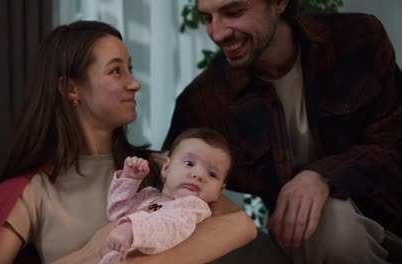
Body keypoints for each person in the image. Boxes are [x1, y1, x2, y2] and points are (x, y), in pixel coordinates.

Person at [0, 21, 257, 264]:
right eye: (116, 71)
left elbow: (240, 225)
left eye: (129, 69)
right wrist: (93, 251)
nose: (134, 83)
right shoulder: (32, 193)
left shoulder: (162, 166)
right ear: (71, 89)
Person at [163, 0, 402, 263]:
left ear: (278, 3)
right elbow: (164, 175)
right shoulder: (205, 99)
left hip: (391, 217)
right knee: (320, 221)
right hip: (310, 239)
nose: (217, 34)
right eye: (207, 18)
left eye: (233, 12)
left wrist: (321, 175)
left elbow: (393, 140)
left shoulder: (358, 38)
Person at [101, 128, 233, 263]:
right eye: (189, 163)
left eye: (212, 174)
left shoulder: (193, 207)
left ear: (219, 191)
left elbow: (169, 227)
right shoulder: (148, 195)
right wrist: (128, 180)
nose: (199, 175)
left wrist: (133, 230)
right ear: (166, 168)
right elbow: (116, 215)